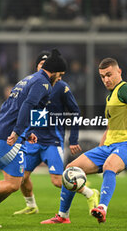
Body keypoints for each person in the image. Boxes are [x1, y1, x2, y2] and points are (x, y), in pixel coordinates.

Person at [0, 49, 68, 227]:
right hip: (9, 135)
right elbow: (27, 105)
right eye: (60, 75)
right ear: (53, 71)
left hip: (8, 132)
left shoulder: (28, 79)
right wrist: (16, 132)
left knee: (14, 180)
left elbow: (12, 107)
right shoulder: (43, 84)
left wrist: (27, 131)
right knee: (13, 184)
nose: (60, 79)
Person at [41, 57, 127, 224]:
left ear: (119, 71)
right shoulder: (110, 97)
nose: (106, 79)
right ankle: (63, 216)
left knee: (109, 166)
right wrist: (101, 146)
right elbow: (110, 126)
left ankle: (102, 208)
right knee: (70, 170)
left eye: (109, 74)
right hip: (109, 147)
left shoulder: (126, 89)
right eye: (102, 76)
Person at [13, 51, 84, 215]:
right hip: (33, 140)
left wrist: (73, 139)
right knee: (21, 178)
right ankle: (31, 206)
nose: (43, 67)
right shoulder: (33, 83)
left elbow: (75, 111)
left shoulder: (61, 86)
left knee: (58, 181)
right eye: (41, 64)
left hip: (52, 140)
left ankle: (89, 193)